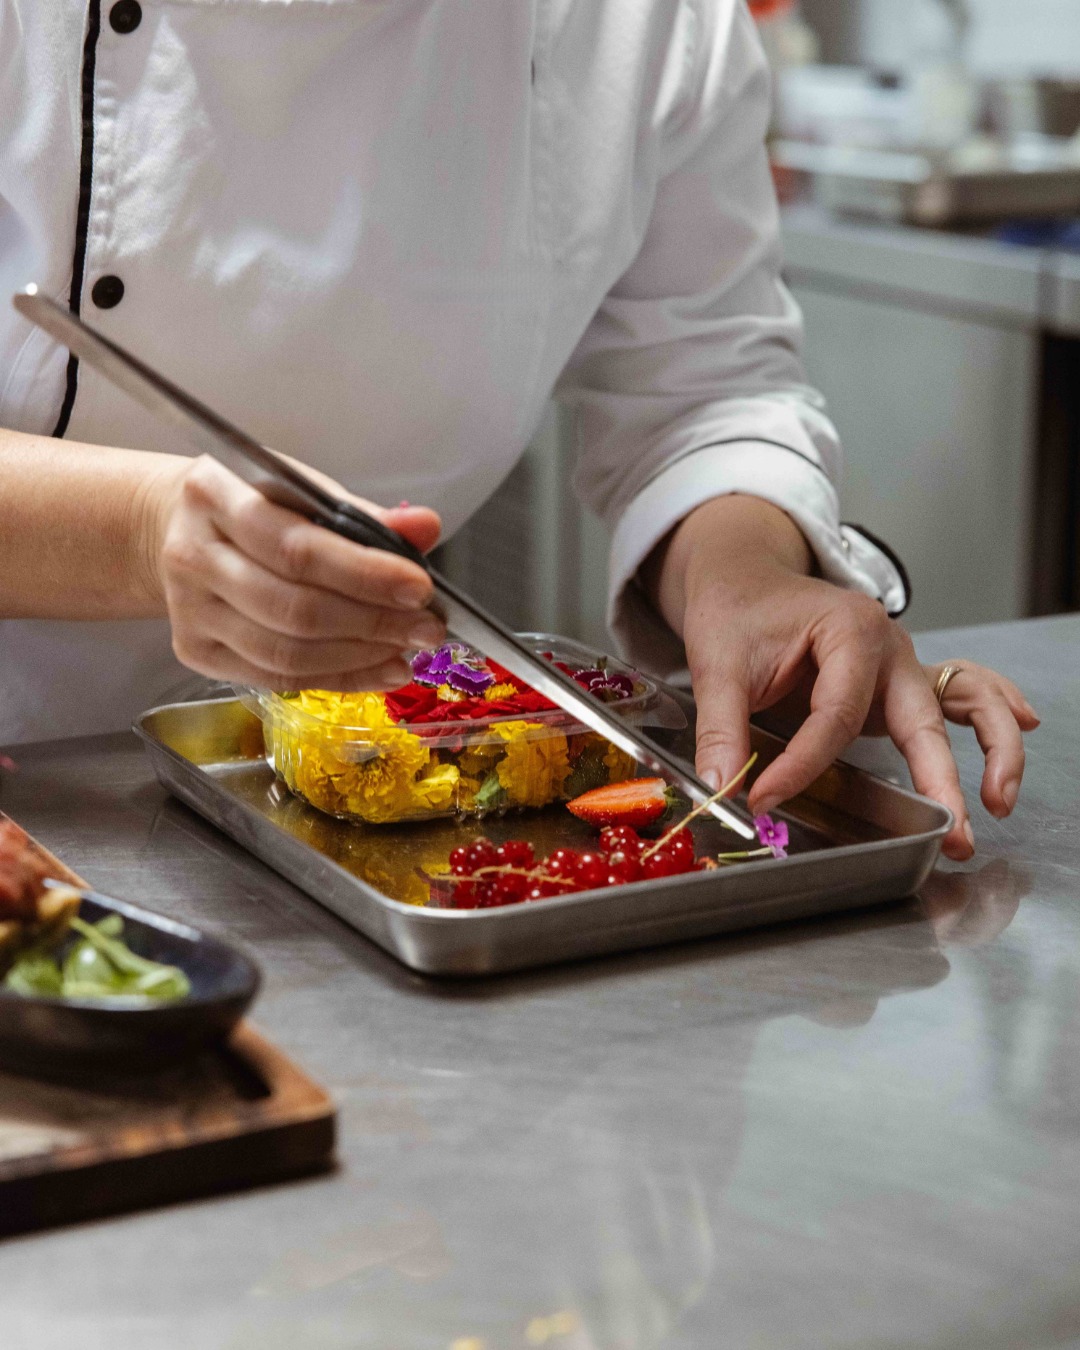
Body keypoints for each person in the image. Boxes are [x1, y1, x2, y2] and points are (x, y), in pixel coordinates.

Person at [0, 0, 1035, 862]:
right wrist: (141, 532)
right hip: (33, 781)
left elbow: (699, 380)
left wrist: (749, 573)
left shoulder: (650, 20)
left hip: (372, 796)